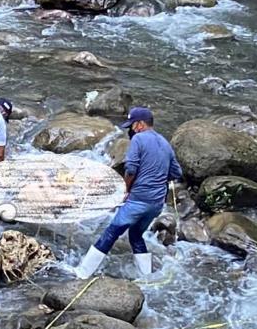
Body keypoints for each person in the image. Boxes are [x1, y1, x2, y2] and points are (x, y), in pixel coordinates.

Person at [75, 107, 182, 278]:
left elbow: (131, 169)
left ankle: (82, 273)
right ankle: (146, 277)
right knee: (136, 235)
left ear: (140, 124)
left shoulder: (138, 139)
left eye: (131, 125)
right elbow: (177, 173)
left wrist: (125, 190)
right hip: (156, 204)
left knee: (111, 233)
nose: (130, 130)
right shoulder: (165, 143)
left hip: (139, 200)